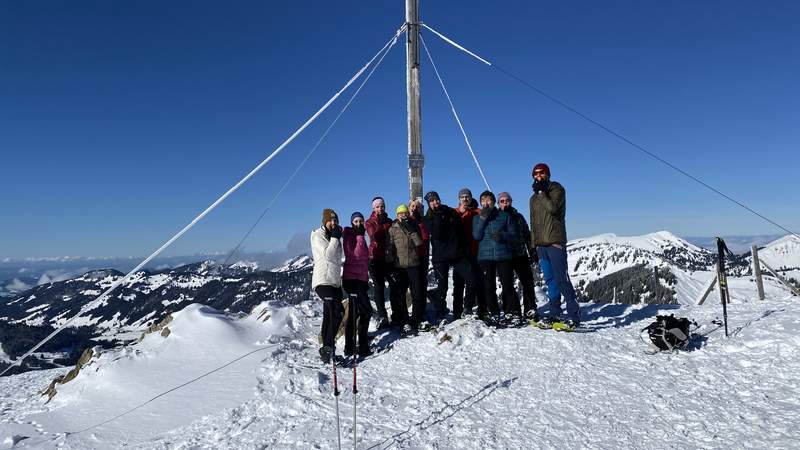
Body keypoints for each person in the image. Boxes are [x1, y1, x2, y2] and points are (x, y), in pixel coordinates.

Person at [529, 163, 580, 328]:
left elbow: (553, 209)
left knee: (561, 279)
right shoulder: (533, 198)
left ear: (548, 174)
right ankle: (555, 314)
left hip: (555, 242)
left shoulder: (556, 189)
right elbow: (534, 223)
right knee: (550, 280)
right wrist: (533, 244)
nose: (538, 176)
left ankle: (573, 314)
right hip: (541, 245)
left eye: (541, 173)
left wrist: (542, 192)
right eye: (535, 174)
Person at [423, 191, 476, 321]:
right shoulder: (428, 218)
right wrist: (438, 216)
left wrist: (465, 249)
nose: (435, 202)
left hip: (456, 254)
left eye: (436, 199)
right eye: (431, 201)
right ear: (428, 204)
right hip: (440, 257)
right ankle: (441, 314)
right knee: (443, 287)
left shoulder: (450, 212)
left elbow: (460, 231)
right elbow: (437, 234)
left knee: (471, 279)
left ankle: (467, 308)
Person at [473, 191, 520, 326]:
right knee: (489, 287)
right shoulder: (477, 218)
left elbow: (514, 235)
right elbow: (476, 236)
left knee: (508, 285)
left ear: (494, 202)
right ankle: (494, 313)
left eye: (489, 200)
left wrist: (502, 236)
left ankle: (513, 312)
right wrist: (482, 219)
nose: (486, 203)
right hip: (485, 257)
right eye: (483, 200)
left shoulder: (503, 216)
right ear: (481, 203)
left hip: (503, 255)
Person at [497, 192, 540, 322]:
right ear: (498, 203)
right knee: (507, 285)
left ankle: (530, 309)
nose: (505, 203)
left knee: (527, 282)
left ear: (511, 201)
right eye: (502, 201)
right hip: (504, 257)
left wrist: (532, 251)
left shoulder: (518, 217)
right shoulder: (496, 218)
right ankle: (511, 310)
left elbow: (527, 235)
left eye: (507, 200)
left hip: (520, 254)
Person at [311, 208, 344, 363]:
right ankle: (328, 347)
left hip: (335, 281)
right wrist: (336, 238)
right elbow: (327, 255)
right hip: (323, 280)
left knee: (332, 314)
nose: (333, 223)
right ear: (324, 221)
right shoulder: (318, 235)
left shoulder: (333, 236)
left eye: (335, 221)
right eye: (330, 220)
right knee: (335, 311)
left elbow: (338, 259)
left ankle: (327, 350)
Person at [386, 204, 425, 332]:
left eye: (405, 213)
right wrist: (390, 266)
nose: (403, 215)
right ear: (397, 215)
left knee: (417, 293)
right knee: (401, 295)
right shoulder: (393, 228)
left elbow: (419, 242)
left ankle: (417, 319)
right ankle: (405, 320)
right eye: (400, 213)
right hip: (400, 267)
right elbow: (390, 248)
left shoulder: (414, 225)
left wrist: (410, 229)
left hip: (414, 264)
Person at [342, 212, 374, 357]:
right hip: (352, 280)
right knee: (364, 311)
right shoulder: (349, 235)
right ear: (351, 223)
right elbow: (355, 255)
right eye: (356, 221)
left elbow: (364, 259)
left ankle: (352, 346)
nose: (359, 223)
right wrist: (361, 236)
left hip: (360, 280)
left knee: (357, 313)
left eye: (361, 221)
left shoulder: (360, 236)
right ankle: (360, 345)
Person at [453, 188, 486, 316]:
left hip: (476, 252)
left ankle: (479, 309)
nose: (465, 199)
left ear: (471, 198)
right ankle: (457, 311)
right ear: (459, 199)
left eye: (467, 196)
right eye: (462, 197)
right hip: (459, 254)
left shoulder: (478, 212)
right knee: (459, 283)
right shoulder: (455, 212)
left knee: (478, 281)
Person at [365, 196, 395, 329]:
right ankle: (383, 316)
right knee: (379, 287)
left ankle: (397, 314)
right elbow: (372, 235)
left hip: (388, 257)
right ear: (373, 208)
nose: (380, 208)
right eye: (377, 207)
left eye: (382, 206)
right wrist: (380, 223)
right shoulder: (369, 222)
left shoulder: (389, 221)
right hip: (374, 258)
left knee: (395, 284)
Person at [408, 198, 434, 326]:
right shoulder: (407, 221)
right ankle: (416, 315)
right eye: (412, 206)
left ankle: (421, 311)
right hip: (413, 258)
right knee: (416, 287)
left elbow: (425, 237)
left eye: (417, 207)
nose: (414, 209)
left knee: (423, 284)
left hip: (423, 256)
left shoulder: (424, 221)